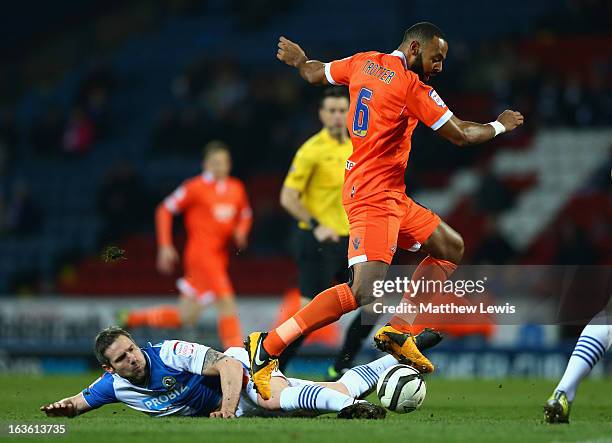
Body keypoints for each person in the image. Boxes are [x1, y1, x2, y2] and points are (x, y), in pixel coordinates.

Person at [245, 22, 524, 400]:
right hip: (372, 195)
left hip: (392, 194)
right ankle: (268, 346)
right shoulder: (411, 87)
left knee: (450, 247)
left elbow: (314, 73)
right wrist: (500, 125)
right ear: (413, 48)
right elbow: (461, 134)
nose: (439, 66)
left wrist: (300, 61)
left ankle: (398, 329)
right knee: (362, 292)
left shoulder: (363, 63)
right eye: (435, 58)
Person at [40, 327, 390, 419]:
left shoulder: (168, 352)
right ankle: (392, 362)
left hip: (238, 368)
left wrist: (226, 407)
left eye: (131, 349)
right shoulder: (113, 387)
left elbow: (226, 362)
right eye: (122, 358)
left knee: (272, 401)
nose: (132, 359)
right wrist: (63, 409)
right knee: (331, 391)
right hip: (235, 402)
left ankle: (349, 408)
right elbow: (77, 402)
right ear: (109, 368)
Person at [279, 87, 376, 376]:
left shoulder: (359, 147)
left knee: (374, 302)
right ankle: (272, 367)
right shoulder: (311, 150)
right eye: (331, 110)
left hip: (352, 241)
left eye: (341, 110)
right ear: (321, 114)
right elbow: (288, 197)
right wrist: (316, 225)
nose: (336, 116)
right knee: (308, 315)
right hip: (318, 241)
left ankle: (341, 366)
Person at [122, 141, 251, 349]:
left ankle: (133, 318)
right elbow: (164, 209)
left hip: (219, 257)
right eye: (216, 162)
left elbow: (245, 214)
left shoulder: (236, 188)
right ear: (206, 164)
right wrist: (165, 245)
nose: (221, 166)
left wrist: (242, 231)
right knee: (227, 303)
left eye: (225, 162)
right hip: (201, 256)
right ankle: (240, 358)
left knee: (186, 316)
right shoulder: (195, 187)